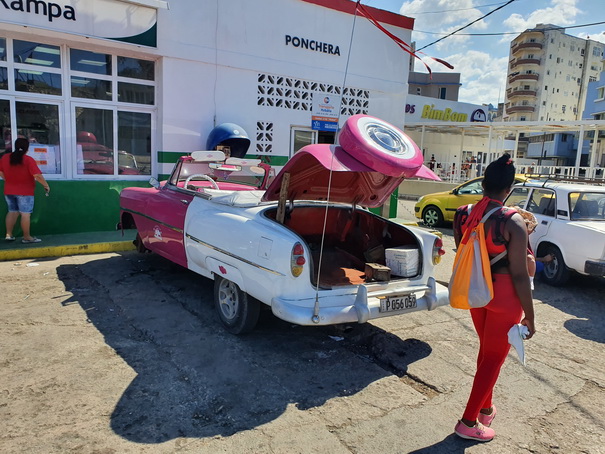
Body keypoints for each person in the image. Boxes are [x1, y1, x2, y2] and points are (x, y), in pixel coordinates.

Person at [452, 153, 535, 442]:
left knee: (487, 353)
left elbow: (465, 253)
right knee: (493, 358)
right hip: (505, 297)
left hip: (477, 291)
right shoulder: (513, 221)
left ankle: (486, 408)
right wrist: (530, 316)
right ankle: (468, 422)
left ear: (483, 183)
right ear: (509, 189)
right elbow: (521, 275)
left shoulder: (463, 213)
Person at [0, 138, 50, 243]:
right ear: (27, 148)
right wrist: (46, 185)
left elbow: (1, 171)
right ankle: (27, 237)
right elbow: (37, 175)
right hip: (25, 192)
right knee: (25, 214)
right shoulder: (28, 160)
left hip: (9, 190)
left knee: (12, 212)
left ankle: (9, 234)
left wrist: (7, 179)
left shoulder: (5, 157)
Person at [514, 207, 554, 289]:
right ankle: (529, 281)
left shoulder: (515, 231)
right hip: (514, 266)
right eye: (532, 229)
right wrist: (544, 259)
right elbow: (526, 258)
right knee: (538, 265)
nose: (532, 231)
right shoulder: (520, 236)